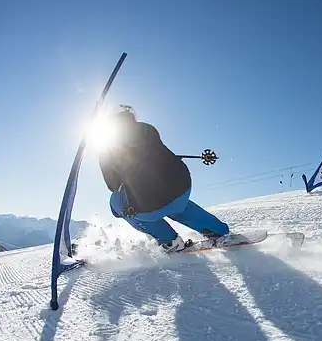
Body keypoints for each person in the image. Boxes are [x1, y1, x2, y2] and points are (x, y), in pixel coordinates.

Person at [98, 105, 231, 253]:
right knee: (176, 204)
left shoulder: (107, 148)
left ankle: (170, 240)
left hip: (149, 203)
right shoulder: (147, 129)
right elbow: (152, 155)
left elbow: (113, 184)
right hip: (182, 187)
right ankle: (217, 231)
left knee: (115, 202)